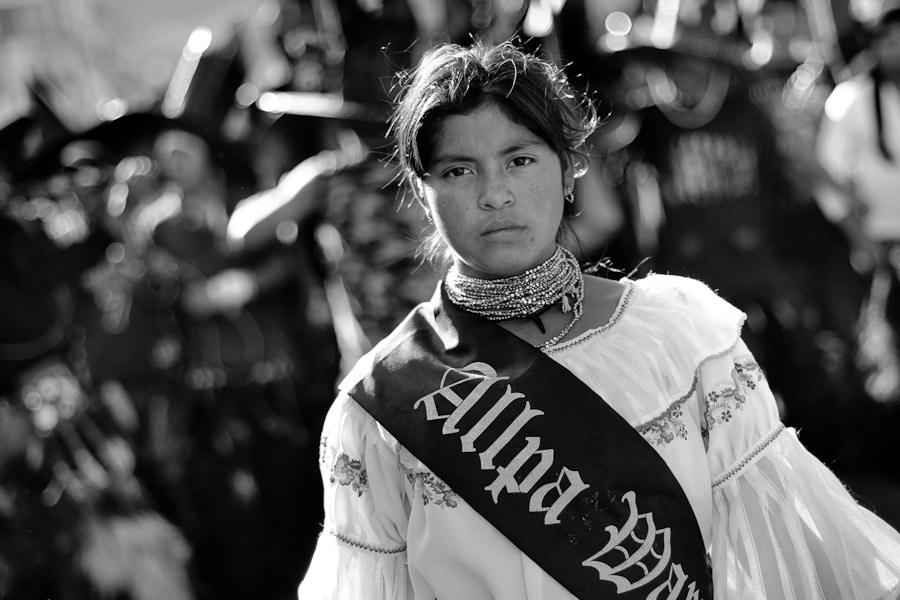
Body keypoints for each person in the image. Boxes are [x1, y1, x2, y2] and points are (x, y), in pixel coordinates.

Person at [297, 40, 900, 599]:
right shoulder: (377, 409)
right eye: (458, 170)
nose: (494, 194)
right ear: (420, 190)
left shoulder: (679, 339)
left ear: (568, 170)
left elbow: (781, 550)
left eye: (520, 160)